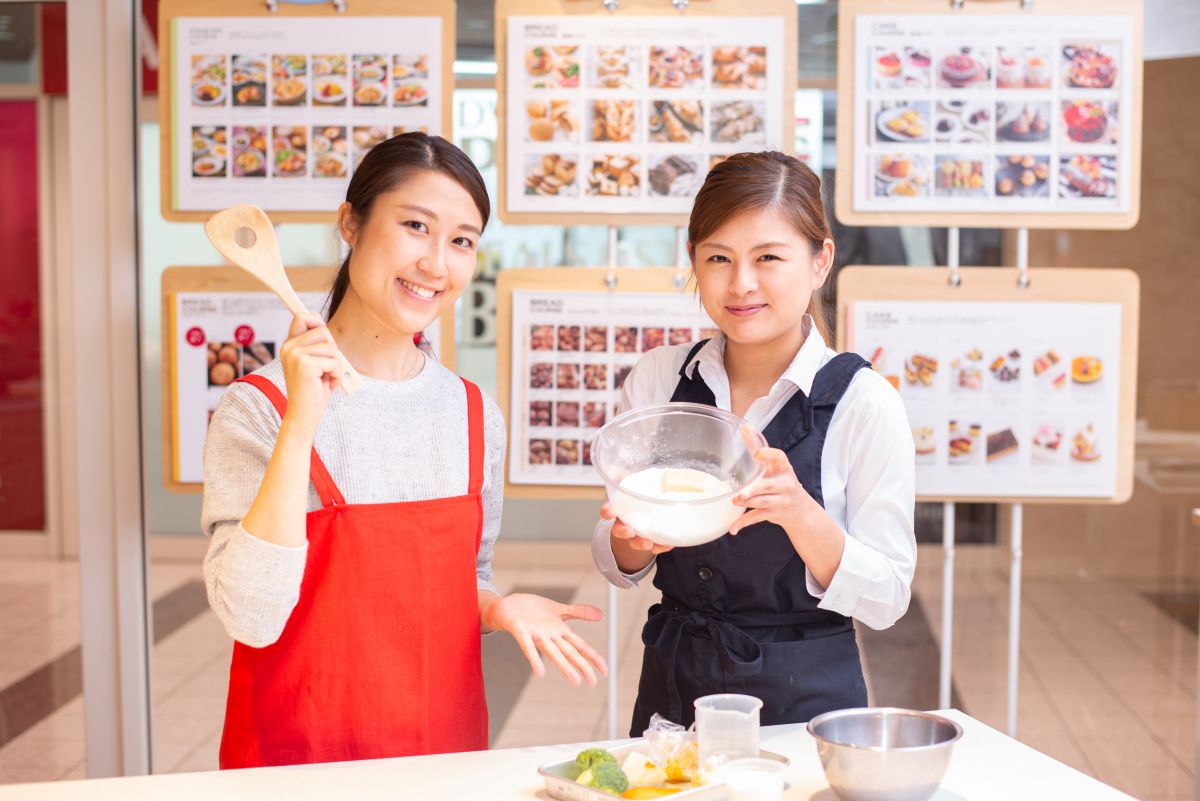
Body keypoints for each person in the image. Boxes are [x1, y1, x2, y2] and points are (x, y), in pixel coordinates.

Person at [202, 133, 607, 769]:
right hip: (298, 759)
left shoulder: (472, 413)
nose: (436, 264)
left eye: (462, 241)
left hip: (438, 754)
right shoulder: (257, 408)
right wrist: (302, 420)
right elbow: (250, 616)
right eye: (415, 225)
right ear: (350, 224)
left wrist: (497, 607)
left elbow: (451, 584)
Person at [591, 151, 916, 735]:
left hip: (808, 708)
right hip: (673, 688)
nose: (741, 284)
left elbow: (889, 596)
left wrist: (800, 515)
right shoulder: (661, 379)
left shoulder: (864, 404)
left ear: (820, 262)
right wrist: (632, 542)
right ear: (693, 261)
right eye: (719, 258)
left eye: (768, 257)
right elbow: (617, 560)